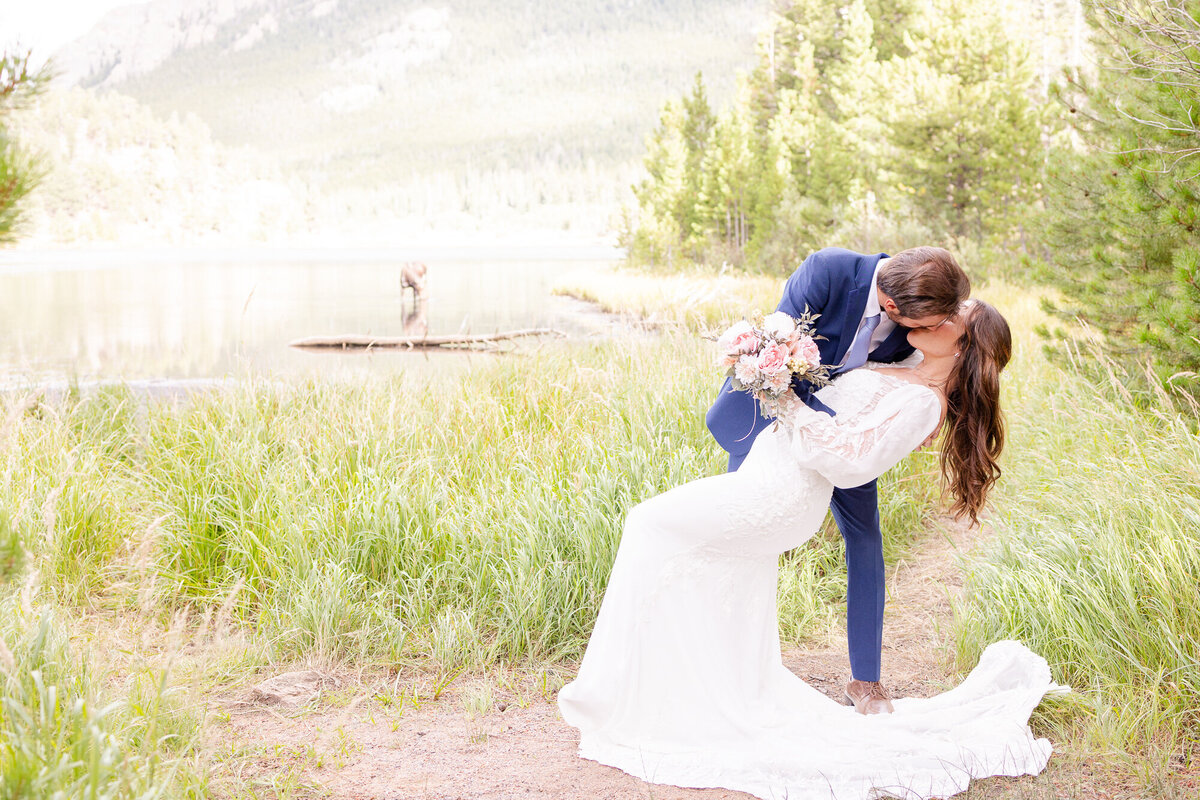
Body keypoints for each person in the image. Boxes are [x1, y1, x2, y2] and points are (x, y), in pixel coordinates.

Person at [558, 300, 1060, 800]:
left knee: (648, 523)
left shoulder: (926, 402)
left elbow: (850, 464)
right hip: (767, 477)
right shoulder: (902, 367)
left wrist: (785, 399)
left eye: (954, 317)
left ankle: (613, 692)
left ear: (963, 343)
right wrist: (777, 362)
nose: (936, 316)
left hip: (778, 497)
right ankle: (685, 696)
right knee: (710, 571)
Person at [706, 246, 970, 714]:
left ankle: (866, 682)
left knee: (865, 536)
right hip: (766, 422)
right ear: (892, 307)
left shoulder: (924, 295)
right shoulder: (829, 270)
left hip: (842, 435)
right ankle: (730, 661)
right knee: (742, 535)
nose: (931, 330)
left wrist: (939, 407)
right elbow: (774, 347)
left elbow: (946, 356)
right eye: (926, 324)